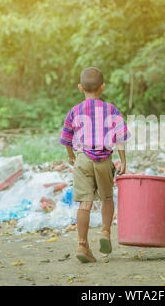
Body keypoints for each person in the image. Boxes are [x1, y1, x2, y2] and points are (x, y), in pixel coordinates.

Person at [59, 67, 130, 263]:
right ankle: (105, 232)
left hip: (83, 159)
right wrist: (123, 161)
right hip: (105, 159)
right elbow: (121, 138)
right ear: (103, 87)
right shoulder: (111, 110)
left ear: (80, 87)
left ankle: (82, 245)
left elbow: (66, 138)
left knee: (85, 203)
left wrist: (71, 156)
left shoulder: (74, 111)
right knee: (107, 198)